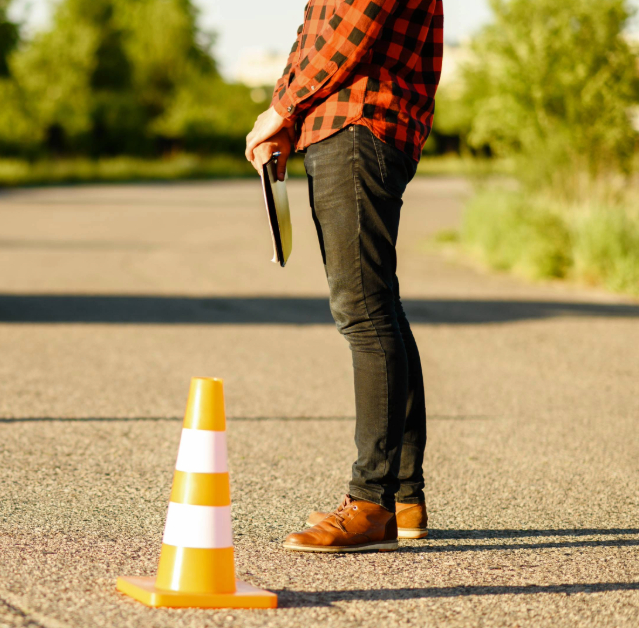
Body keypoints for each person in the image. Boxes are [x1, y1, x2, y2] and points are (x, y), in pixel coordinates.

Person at [245, 0, 444, 553]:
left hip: (358, 125)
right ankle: (402, 498)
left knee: (364, 312)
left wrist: (282, 107)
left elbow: (348, 29)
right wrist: (291, 117)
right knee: (380, 308)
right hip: (345, 124)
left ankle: (371, 502)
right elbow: (316, 30)